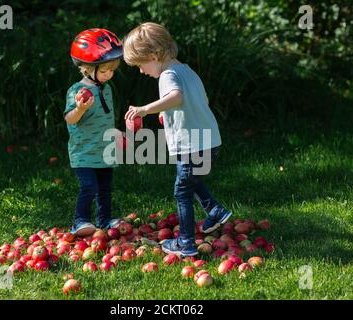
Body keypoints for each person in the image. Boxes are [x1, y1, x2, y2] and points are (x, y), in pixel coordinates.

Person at [123, 22, 232, 257]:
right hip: (210, 140)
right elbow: (195, 99)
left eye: (141, 65)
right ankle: (215, 211)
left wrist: (146, 109)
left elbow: (176, 96)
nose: (141, 71)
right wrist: (167, 112)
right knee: (191, 181)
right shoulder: (187, 71)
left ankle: (186, 244)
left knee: (182, 190)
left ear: (154, 55)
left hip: (191, 144)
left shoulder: (167, 75)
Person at [64, 28, 123, 236]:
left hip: (104, 149)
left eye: (113, 69)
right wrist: (80, 109)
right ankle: (79, 221)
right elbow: (69, 118)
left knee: (105, 188)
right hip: (84, 151)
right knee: (89, 187)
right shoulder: (76, 91)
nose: (110, 74)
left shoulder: (105, 88)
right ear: (87, 68)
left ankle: (104, 220)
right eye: (106, 70)